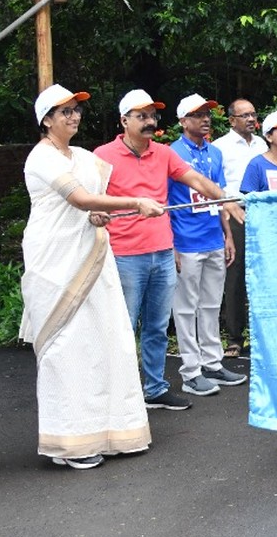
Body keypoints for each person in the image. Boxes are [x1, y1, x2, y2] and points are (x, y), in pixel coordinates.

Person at [20, 84, 163, 470]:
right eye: (63, 111)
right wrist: (134, 202)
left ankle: (114, 432)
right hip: (55, 261)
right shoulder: (41, 157)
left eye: (76, 110)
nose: (73, 116)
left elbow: (88, 208)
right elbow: (79, 199)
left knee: (107, 339)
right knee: (66, 347)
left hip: (92, 253)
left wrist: (100, 215)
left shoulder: (83, 157)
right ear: (46, 120)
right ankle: (70, 442)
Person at [94, 90, 239, 409]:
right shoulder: (102, 155)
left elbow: (197, 181)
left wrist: (227, 201)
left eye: (152, 116)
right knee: (123, 326)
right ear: (124, 120)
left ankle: (155, 388)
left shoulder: (163, 153)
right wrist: (95, 215)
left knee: (158, 327)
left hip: (161, 250)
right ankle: (118, 395)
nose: (149, 121)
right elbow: (90, 198)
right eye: (141, 116)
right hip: (125, 254)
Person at [167, 94, 247, 397]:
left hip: (213, 236)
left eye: (208, 113)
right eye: (197, 114)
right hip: (186, 240)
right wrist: (171, 244)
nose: (205, 119)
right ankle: (190, 371)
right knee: (186, 308)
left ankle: (212, 363)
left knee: (212, 305)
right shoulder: (172, 153)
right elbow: (163, 201)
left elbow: (220, 196)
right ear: (183, 121)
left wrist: (227, 234)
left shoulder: (215, 152)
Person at [214, 99, 265, 357]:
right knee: (235, 274)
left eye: (253, 114)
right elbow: (212, 182)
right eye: (244, 115)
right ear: (231, 119)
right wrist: (226, 209)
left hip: (263, 213)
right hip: (234, 212)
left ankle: (261, 336)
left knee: (263, 275)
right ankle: (235, 338)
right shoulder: (219, 147)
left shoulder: (263, 144)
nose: (250, 119)